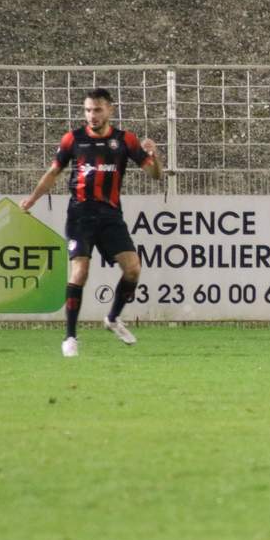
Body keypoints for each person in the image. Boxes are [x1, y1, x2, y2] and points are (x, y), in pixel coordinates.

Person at [21, 87, 163, 357]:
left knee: (133, 269)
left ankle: (112, 318)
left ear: (110, 109)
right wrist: (32, 199)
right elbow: (53, 173)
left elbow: (155, 175)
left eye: (97, 110)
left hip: (110, 216)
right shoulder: (72, 139)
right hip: (80, 216)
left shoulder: (125, 140)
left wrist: (155, 156)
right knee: (80, 272)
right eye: (88, 110)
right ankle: (70, 338)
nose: (92, 115)